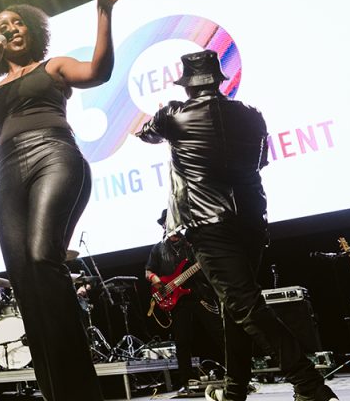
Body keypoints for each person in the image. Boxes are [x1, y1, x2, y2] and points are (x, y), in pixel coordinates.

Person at [136, 50, 338, 401]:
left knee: (243, 306)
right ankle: (234, 391)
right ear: (218, 81)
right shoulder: (252, 115)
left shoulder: (172, 115)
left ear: (187, 85)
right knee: (235, 308)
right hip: (252, 221)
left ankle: (310, 385)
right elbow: (262, 162)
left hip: (208, 223)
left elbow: (146, 134)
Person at [0, 0, 123, 401]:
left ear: (31, 30)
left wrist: (104, 10)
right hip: (9, 173)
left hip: (54, 156)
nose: (11, 28)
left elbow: (98, 71)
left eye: (17, 22)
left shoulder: (53, 67)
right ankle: (58, 394)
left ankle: (82, 392)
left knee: (40, 259)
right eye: (2, 27)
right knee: (25, 283)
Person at [145, 209, 224, 394]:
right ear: (164, 226)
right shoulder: (158, 249)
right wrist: (155, 278)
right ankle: (186, 381)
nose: (171, 227)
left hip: (199, 295)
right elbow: (148, 271)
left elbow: (206, 264)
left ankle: (236, 373)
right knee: (182, 341)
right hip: (177, 301)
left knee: (219, 333)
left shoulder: (191, 244)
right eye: (167, 224)